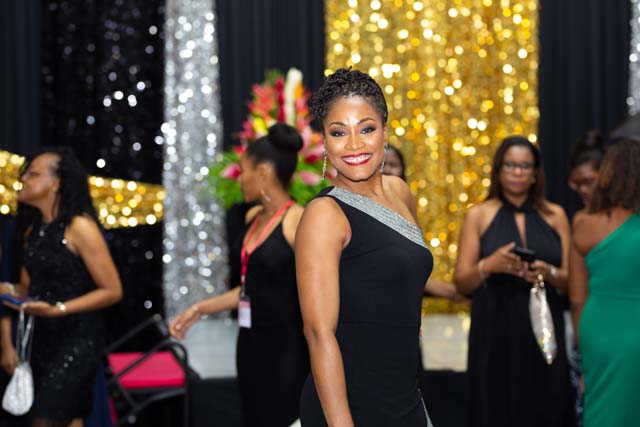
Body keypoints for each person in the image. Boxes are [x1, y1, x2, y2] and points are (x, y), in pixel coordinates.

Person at [296, 68, 434, 426]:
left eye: (366, 129)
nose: (354, 144)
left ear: (385, 131)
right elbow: (318, 334)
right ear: (324, 142)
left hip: (404, 393)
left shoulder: (400, 192)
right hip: (350, 403)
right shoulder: (324, 215)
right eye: (339, 132)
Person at [169, 123, 309, 427]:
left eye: (243, 170)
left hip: (286, 351)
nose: (238, 178)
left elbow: (319, 291)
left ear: (263, 174)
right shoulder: (252, 217)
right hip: (249, 346)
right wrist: (198, 309)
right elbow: (251, 288)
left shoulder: (298, 221)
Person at [454, 136, 574, 427]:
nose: (518, 172)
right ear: (498, 170)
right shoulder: (479, 215)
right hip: (495, 328)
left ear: (535, 173)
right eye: (510, 165)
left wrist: (549, 272)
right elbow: (461, 283)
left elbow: (573, 280)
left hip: (544, 326)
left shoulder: (556, 215)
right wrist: (488, 266)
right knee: (495, 406)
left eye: (525, 166)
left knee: (548, 404)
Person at [0, 147, 123, 427]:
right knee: (52, 418)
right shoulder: (32, 231)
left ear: (55, 183)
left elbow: (113, 290)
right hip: (41, 339)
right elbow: (27, 288)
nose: (24, 179)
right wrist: (9, 291)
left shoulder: (80, 227)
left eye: (33, 174)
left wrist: (59, 309)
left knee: (50, 417)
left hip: (75, 339)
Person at [569, 138, 640, 427]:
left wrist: (583, 352)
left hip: (598, 332)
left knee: (603, 409)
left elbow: (576, 298)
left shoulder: (583, 223)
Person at [382, 144, 457, 299]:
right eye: (382, 164)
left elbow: (414, 260)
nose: (387, 170)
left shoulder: (406, 203)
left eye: (394, 165)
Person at [568, 131, 604, 208]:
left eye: (588, 181)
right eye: (577, 183)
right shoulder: (580, 215)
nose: (582, 190)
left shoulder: (627, 213)